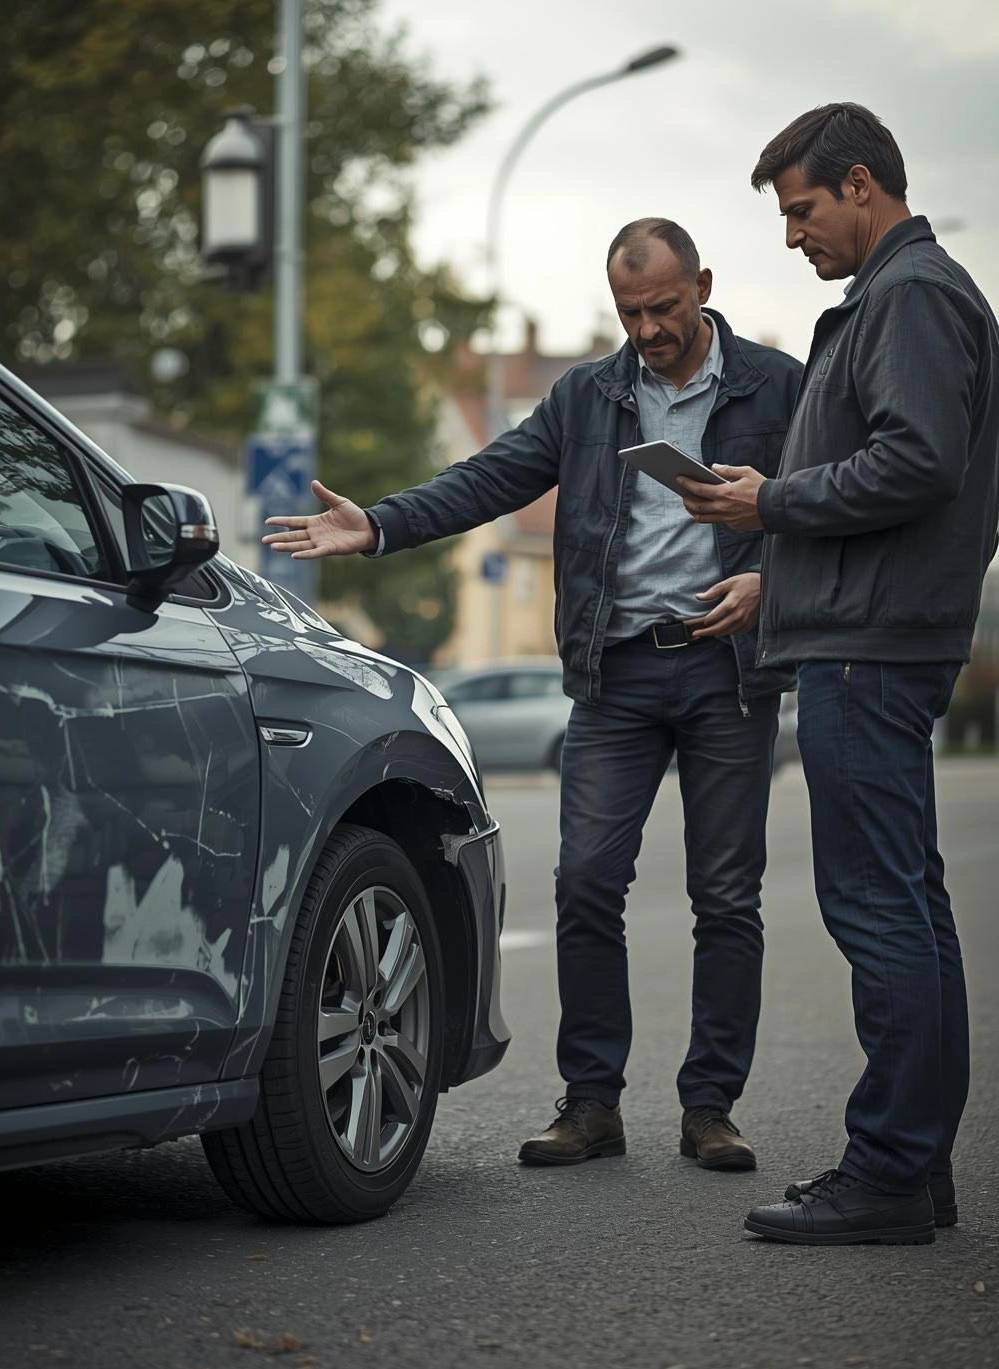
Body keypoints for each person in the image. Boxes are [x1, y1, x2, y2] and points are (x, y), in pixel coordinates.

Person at [263, 219, 801, 1172]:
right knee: (585, 880)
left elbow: (819, 506)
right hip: (616, 671)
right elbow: (486, 480)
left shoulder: (779, 385)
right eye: (631, 312)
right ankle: (591, 1103)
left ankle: (711, 1107)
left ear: (704, 286)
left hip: (730, 670)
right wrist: (378, 527)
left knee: (726, 896)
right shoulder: (588, 396)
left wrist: (773, 581)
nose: (648, 330)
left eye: (666, 308)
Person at [680, 104, 999, 1244]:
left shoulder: (909, 295)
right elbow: (920, 488)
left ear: (860, 185)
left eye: (801, 210)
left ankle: (887, 1172)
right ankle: (911, 1169)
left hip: (868, 653)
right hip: (866, 628)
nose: (790, 236)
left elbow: (917, 460)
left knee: (878, 910)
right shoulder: (909, 295)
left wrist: (767, 502)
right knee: (907, 907)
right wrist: (781, 575)